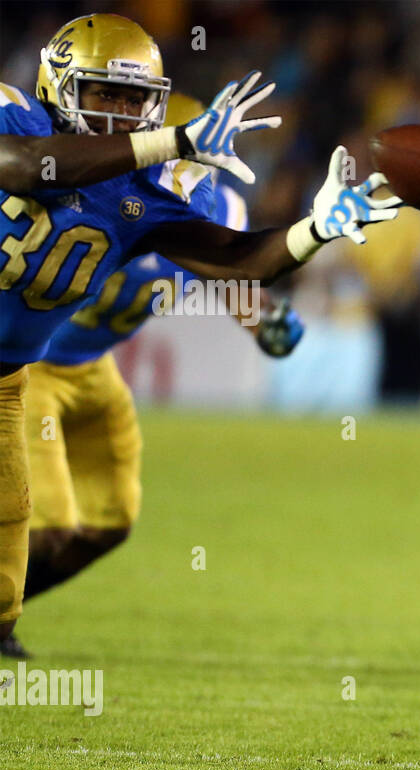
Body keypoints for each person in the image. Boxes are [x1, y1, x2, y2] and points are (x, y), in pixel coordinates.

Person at [0, 14, 401, 656]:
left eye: (137, 102)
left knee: (6, 596)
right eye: (107, 95)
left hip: (9, 380)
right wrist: (173, 140)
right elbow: (23, 166)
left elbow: (239, 262)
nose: (123, 116)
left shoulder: (146, 195)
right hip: (42, 374)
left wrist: (315, 230)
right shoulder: (15, 115)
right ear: (60, 84)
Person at [9, 94, 305, 655]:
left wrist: (263, 318)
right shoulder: (91, 194)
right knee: (48, 525)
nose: (188, 173)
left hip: (94, 367)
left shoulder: (211, 209)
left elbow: (234, 277)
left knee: (108, 524)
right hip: (35, 365)